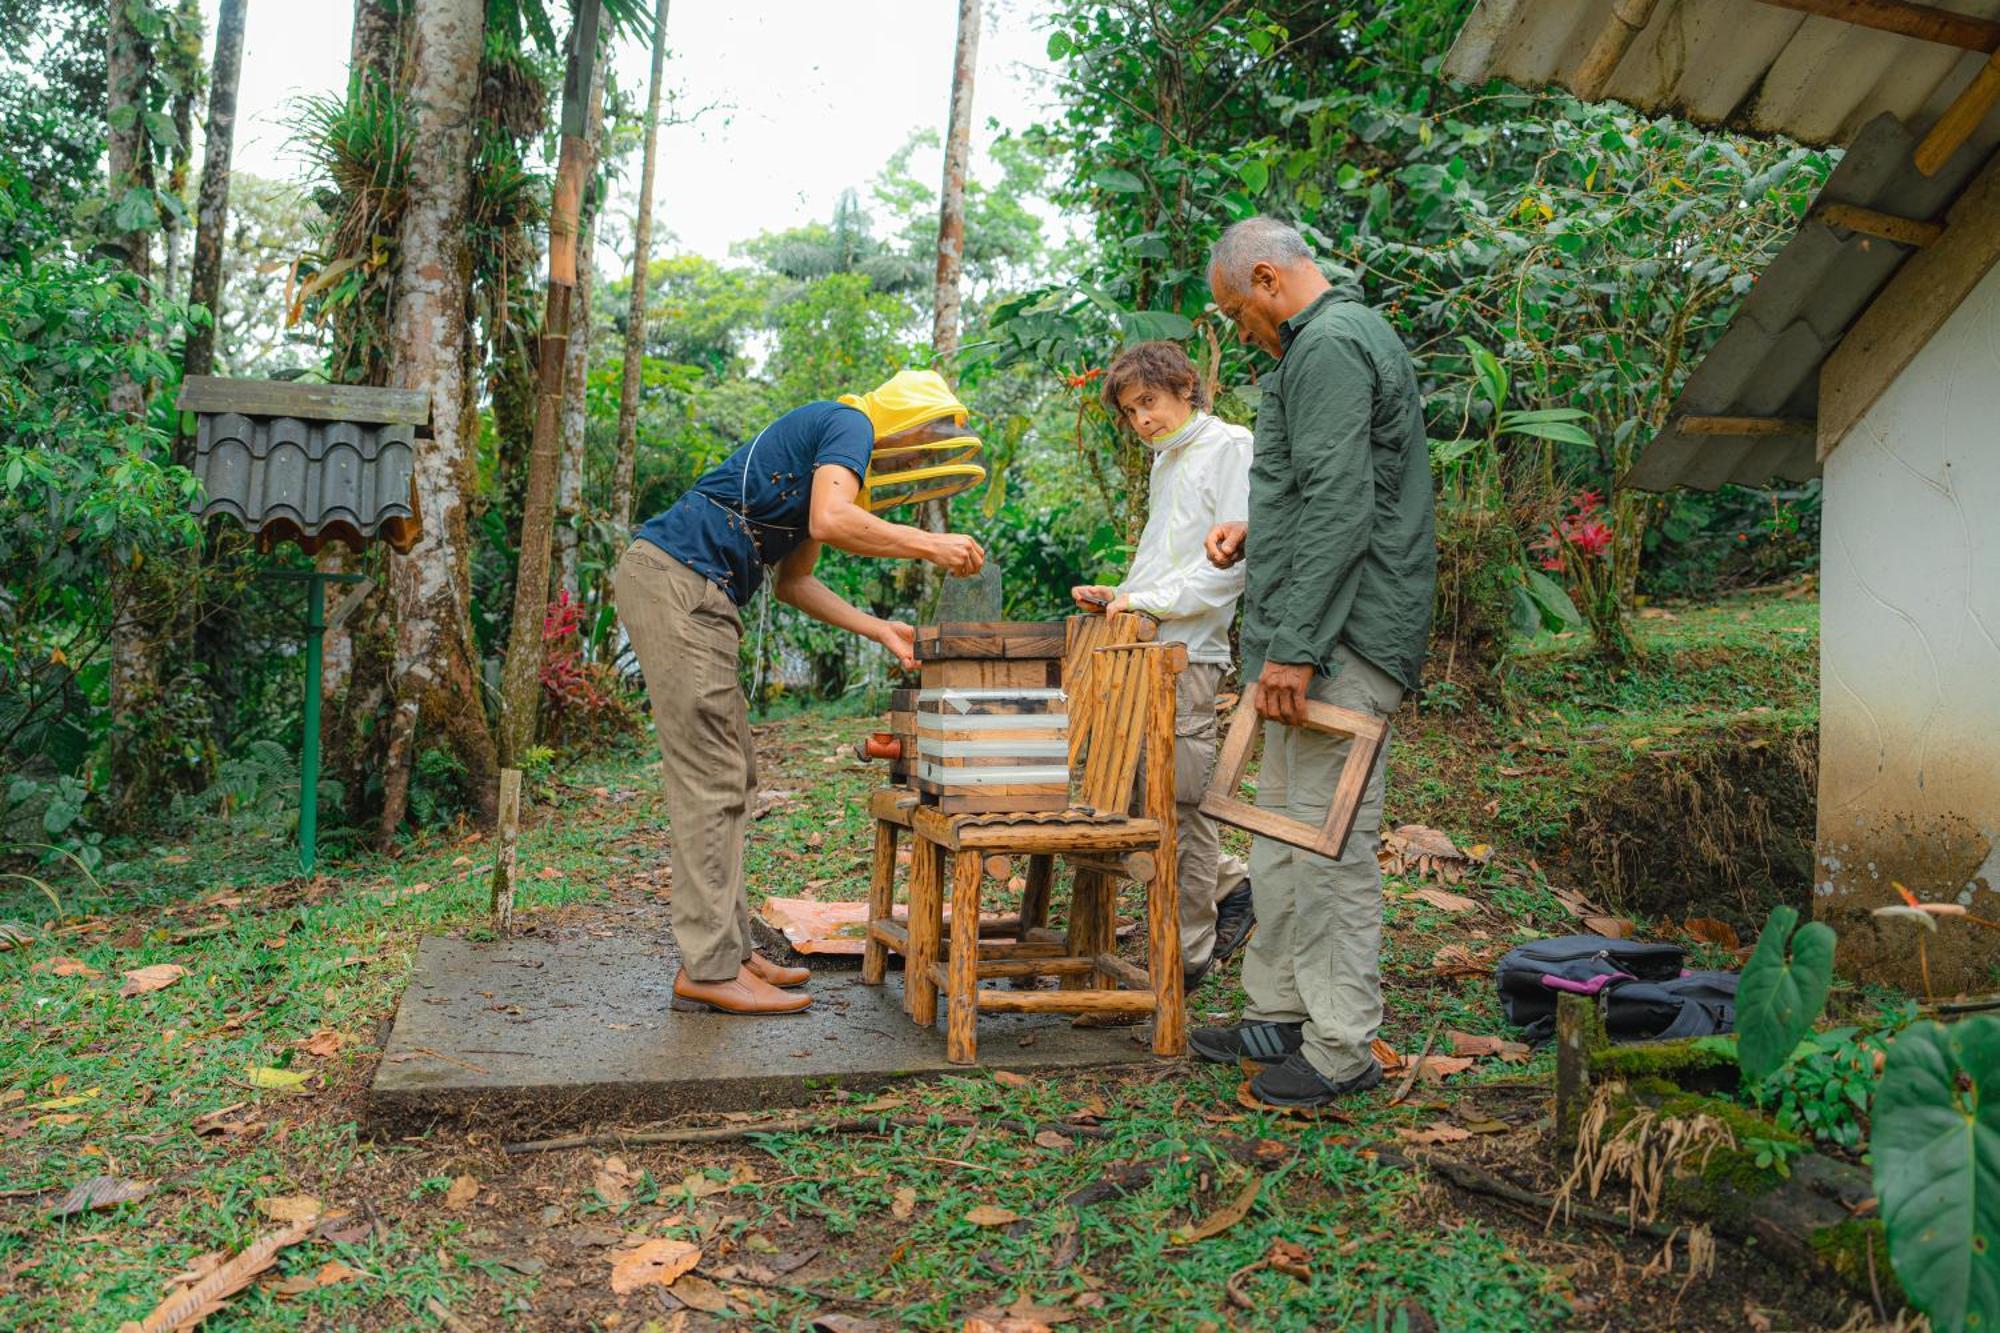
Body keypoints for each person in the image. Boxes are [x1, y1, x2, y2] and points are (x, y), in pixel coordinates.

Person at [615, 370, 985, 1016]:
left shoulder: (826, 450)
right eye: (924, 446)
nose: (919, 460)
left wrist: (878, 629)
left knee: (734, 773)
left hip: (699, 595)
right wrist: (930, 545)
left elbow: (794, 582)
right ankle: (707, 967)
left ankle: (727, 949)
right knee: (712, 775)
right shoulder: (852, 422)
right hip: (679, 585)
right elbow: (832, 517)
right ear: (909, 425)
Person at [1191, 218, 1437, 1107]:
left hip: (1341, 637)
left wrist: (1294, 648)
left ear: (1265, 278)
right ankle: (1279, 1011)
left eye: (1235, 313)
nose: (1239, 330)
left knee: (1330, 845)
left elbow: (1344, 504)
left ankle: (1340, 1048)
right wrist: (1257, 528)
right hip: (1305, 633)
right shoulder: (1322, 347)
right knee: (1282, 830)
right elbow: (1330, 484)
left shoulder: (1331, 343)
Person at [1069, 340, 1256, 992]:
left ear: (1184, 387)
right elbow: (1161, 558)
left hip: (1190, 655)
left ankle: (1190, 953)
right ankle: (1234, 884)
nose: (1141, 419)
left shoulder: (1230, 446)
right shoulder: (1167, 460)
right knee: (1131, 793)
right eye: (1129, 411)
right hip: (1143, 646)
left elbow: (1224, 573)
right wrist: (1119, 593)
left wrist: (1140, 599)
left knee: (1180, 802)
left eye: (1148, 401)